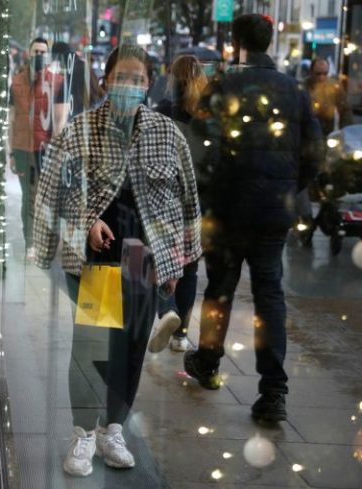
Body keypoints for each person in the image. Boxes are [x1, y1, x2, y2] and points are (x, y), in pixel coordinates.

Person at [34, 45, 201, 477]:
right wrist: (77, 228)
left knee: (129, 348)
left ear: (150, 84)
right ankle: (82, 433)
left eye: (138, 79)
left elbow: (187, 204)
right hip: (99, 258)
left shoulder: (167, 134)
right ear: (106, 81)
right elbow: (53, 194)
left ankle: (113, 428)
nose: (129, 86)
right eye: (121, 77)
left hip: (144, 258)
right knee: (92, 347)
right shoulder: (80, 130)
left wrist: (178, 265)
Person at [185, 14, 324, 422]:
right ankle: (273, 392)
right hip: (272, 215)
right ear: (269, 42)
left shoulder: (223, 87)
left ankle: (208, 360)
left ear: (237, 43)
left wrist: (211, 190)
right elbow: (315, 153)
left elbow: (199, 146)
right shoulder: (294, 91)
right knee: (270, 296)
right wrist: (286, 187)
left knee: (220, 290)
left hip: (228, 210)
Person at [148, 55, 209, 353]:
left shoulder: (162, 112)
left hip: (166, 198)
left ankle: (166, 311)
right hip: (199, 204)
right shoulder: (208, 115)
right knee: (190, 268)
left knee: (164, 258)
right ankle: (181, 335)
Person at [9, 37, 68, 258]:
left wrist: (57, 151)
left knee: (44, 196)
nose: (39, 56)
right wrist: (10, 151)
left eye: (43, 52)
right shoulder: (16, 82)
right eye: (36, 51)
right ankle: (31, 242)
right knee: (28, 197)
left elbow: (61, 120)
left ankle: (45, 240)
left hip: (46, 149)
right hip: (23, 149)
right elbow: (12, 118)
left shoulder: (57, 81)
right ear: (29, 53)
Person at [295, 57, 354, 245]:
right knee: (303, 179)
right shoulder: (302, 88)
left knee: (331, 176)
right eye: (318, 73)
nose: (321, 77)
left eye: (324, 73)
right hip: (305, 139)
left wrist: (347, 134)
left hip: (326, 137)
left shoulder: (334, 88)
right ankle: (304, 218)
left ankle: (329, 213)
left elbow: (345, 112)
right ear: (311, 72)